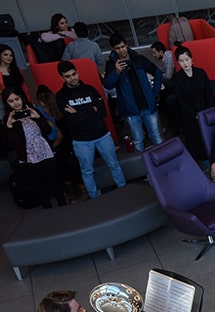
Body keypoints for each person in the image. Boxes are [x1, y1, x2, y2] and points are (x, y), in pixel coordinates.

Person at [55, 61, 126, 199]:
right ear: (62, 78)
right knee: (87, 171)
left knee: (114, 164)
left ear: (77, 72)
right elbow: (71, 120)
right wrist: (90, 110)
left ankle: (123, 189)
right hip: (81, 141)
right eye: (68, 76)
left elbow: (102, 112)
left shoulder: (90, 90)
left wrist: (78, 112)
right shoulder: (61, 96)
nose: (72, 78)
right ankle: (94, 198)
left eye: (74, 74)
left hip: (102, 135)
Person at [2, 88, 66, 209]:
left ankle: (63, 205)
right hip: (29, 156)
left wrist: (37, 117)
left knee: (54, 180)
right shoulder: (7, 119)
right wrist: (10, 125)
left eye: (17, 99)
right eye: (11, 101)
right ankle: (48, 210)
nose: (15, 103)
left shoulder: (34, 111)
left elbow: (47, 130)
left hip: (45, 150)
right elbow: (14, 143)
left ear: (21, 98)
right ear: (7, 103)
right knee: (39, 184)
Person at [103, 34, 163, 152]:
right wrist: (116, 72)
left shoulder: (138, 59)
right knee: (138, 140)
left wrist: (154, 92)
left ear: (126, 45)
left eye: (123, 47)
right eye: (117, 48)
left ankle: (164, 166)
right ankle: (143, 168)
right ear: (113, 49)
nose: (121, 50)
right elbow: (107, 85)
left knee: (157, 137)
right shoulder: (112, 65)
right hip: (131, 110)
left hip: (148, 106)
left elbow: (157, 72)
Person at [36, 84, 83, 202]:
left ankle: (78, 188)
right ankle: (70, 188)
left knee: (70, 160)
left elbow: (62, 135)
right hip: (51, 142)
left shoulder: (60, 111)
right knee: (60, 161)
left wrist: (52, 147)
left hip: (65, 141)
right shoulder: (38, 112)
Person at [171, 46, 214, 162]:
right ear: (178, 62)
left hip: (205, 110)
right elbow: (180, 100)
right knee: (195, 141)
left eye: (186, 59)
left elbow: (209, 93)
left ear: (191, 59)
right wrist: (193, 114)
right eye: (181, 60)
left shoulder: (201, 73)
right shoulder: (177, 78)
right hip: (189, 114)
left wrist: (207, 110)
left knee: (210, 137)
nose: (185, 63)